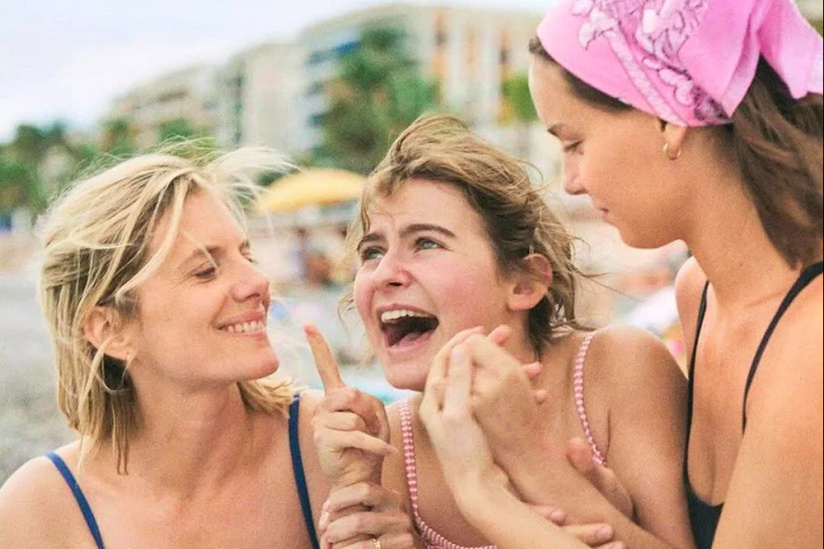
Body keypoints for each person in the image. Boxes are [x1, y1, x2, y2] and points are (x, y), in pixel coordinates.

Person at [423, 0, 822, 547]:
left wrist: (484, 489)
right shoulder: (700, 295)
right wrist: (562, 482)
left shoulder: (811, 347)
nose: (570, 181)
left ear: (668, 117)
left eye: (574, 142)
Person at [310, 114, 697, 549]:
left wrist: (523, 454)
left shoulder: (615, 368)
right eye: (372, 251)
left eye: (427, 243)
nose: (383, 274)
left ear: (524, 283)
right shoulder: (392, 444)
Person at [0, 148, 390, 548]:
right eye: (206, 270)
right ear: (110, 329)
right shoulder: (40, 513)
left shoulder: (336, 451)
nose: (258, 281)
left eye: (246, 254)